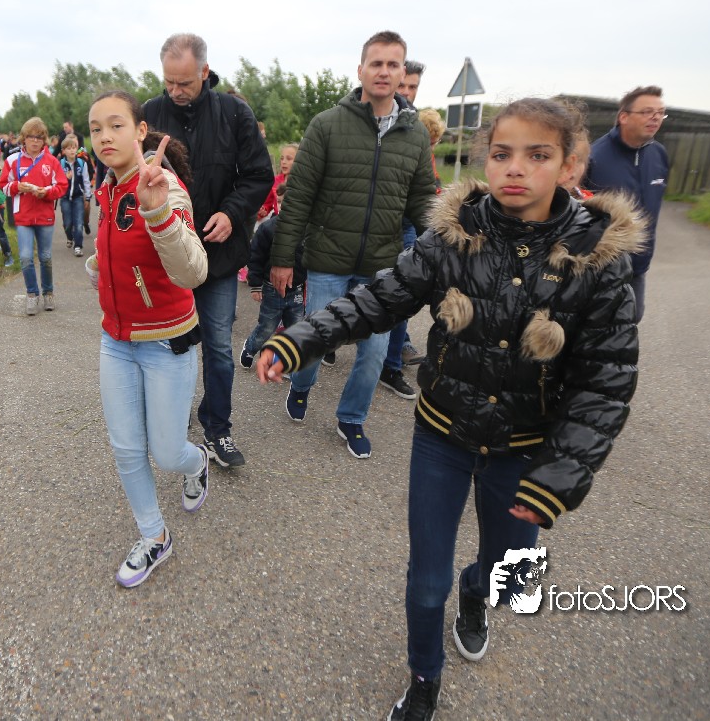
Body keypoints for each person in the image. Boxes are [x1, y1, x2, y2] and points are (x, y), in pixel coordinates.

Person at [258, 97, 643, 721]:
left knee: (508, 579)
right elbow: (378, 300)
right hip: (442, 436)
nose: (515, 168)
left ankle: (475, 590)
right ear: (484, 159)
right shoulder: (452, 237)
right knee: (424, 580)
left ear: (570, 166)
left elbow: (607, 382)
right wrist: (299, 338)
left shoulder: (598, 261)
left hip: (522, 451)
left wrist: (558, 478)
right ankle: (424, 679)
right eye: (502, 153)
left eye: (537, 155)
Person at [270, 30, 437, 459]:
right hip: (327, 258)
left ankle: (351, 418)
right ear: (361, 70)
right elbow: (299, 196)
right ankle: (301, 386)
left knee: (375, 350)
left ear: (402, 73)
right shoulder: (327, 124)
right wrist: (283, 258)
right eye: (376, 63)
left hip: (381, 265)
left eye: (393, 64)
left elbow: (422, 198)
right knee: (316, 341)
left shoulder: (415, 134)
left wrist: (445, 245)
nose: (384, 71)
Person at [85, 90, 209, 588]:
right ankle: (154, 535)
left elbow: (193, 272)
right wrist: (100, 266)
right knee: (126, 447)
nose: (104, 137)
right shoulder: (108, 186)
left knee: (168, 452)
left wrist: (158, 213)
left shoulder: (164, 186)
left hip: (166, 341)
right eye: (96, 129)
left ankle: (198, 462)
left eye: (116, 125)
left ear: (140, 131)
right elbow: (121, 247)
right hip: (115, 340)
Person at [143, 33, 273, 469]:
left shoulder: (234, 112)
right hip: (166, 256)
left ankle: (218, 429)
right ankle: (169, 422)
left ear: (205, 71)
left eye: (184, 82)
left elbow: (258, 175)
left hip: (218, 255)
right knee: (168, 345)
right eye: (168, 82)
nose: (175, 91)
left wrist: (232, 214)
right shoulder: (149, 114)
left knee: (217, 346)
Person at [585, 85, 670, 321]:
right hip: (601, 266)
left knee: (632, 318)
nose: (655, 118)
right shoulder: (594, 157)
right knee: (596, 326)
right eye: (647, 112)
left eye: (660, 113)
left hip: (638, 264)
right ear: (624, 117)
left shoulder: (659, 155)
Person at [379, 59, 434, 395]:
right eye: (403, 85)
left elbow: (424, 186)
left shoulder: (418, 130)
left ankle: (391, 366)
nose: (408, 92)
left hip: (407, 225)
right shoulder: (371, 120)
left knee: (403, 295)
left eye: (413, 87)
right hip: (373, 223)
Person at [0, 117, 67, 315]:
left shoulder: (52, 161)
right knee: (25, 257)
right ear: (24, 138)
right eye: (31, 137)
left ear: (44, 139)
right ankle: (32, 294)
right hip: (24, 216)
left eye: (39, 137)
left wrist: (45, 192)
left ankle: (48, 293)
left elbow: (61, 186)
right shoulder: (13, 160)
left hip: (45, 215)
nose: (35, 141)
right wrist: (17, 187)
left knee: (45, 257)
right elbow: (4, 186)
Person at [239, 183, 305, 370]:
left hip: (296, 289)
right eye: (281, 202)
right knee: (267, 326)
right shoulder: (268, 229)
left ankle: (285, 360)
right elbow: (255, 257)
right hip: (272, 288)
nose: (285, 206)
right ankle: (250, 348)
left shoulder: (306, 229)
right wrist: (255, 284)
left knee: (295, 329)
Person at [58, 134, 93, 256]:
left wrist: (87, 197)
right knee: (68, 223)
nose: (72, 150)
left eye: (74, 148)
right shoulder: (61, 164)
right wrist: (65, 178)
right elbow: (55, 180)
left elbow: (86, 181)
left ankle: (78, 246)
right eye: (69, 148)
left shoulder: (81, 163)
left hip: (78, 197)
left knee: (78, 223)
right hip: (65, 198)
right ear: (64, 151)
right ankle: (69, 237)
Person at [257, 143, 298, 222]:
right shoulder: (275, 181)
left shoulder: (302, 181)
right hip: (277, 218)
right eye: (282, 158)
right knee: (264, 228)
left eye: (289, 159)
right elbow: (268, 204)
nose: (284, 162)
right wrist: (263, 210)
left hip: (294, 219)